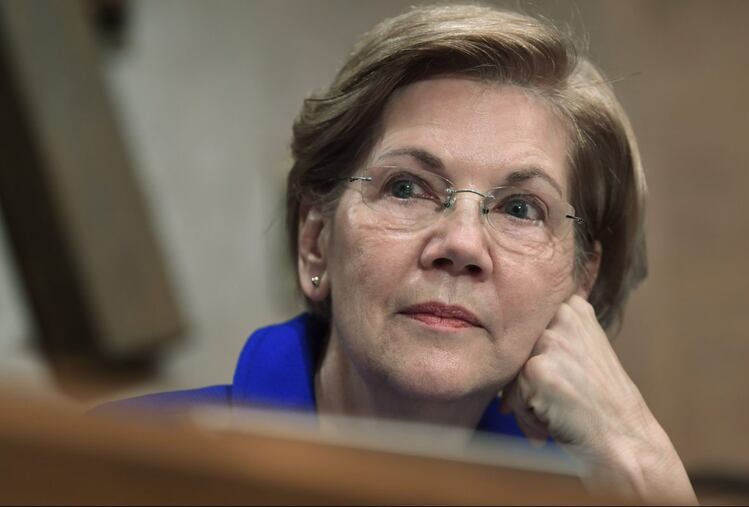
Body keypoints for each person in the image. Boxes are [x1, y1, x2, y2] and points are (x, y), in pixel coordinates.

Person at [101, 4, 697, 503]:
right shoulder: (116, 463)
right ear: (316, 239)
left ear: (577, 284)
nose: (461, 245)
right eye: (407, 188)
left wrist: (641, 459)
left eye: (520, 208)